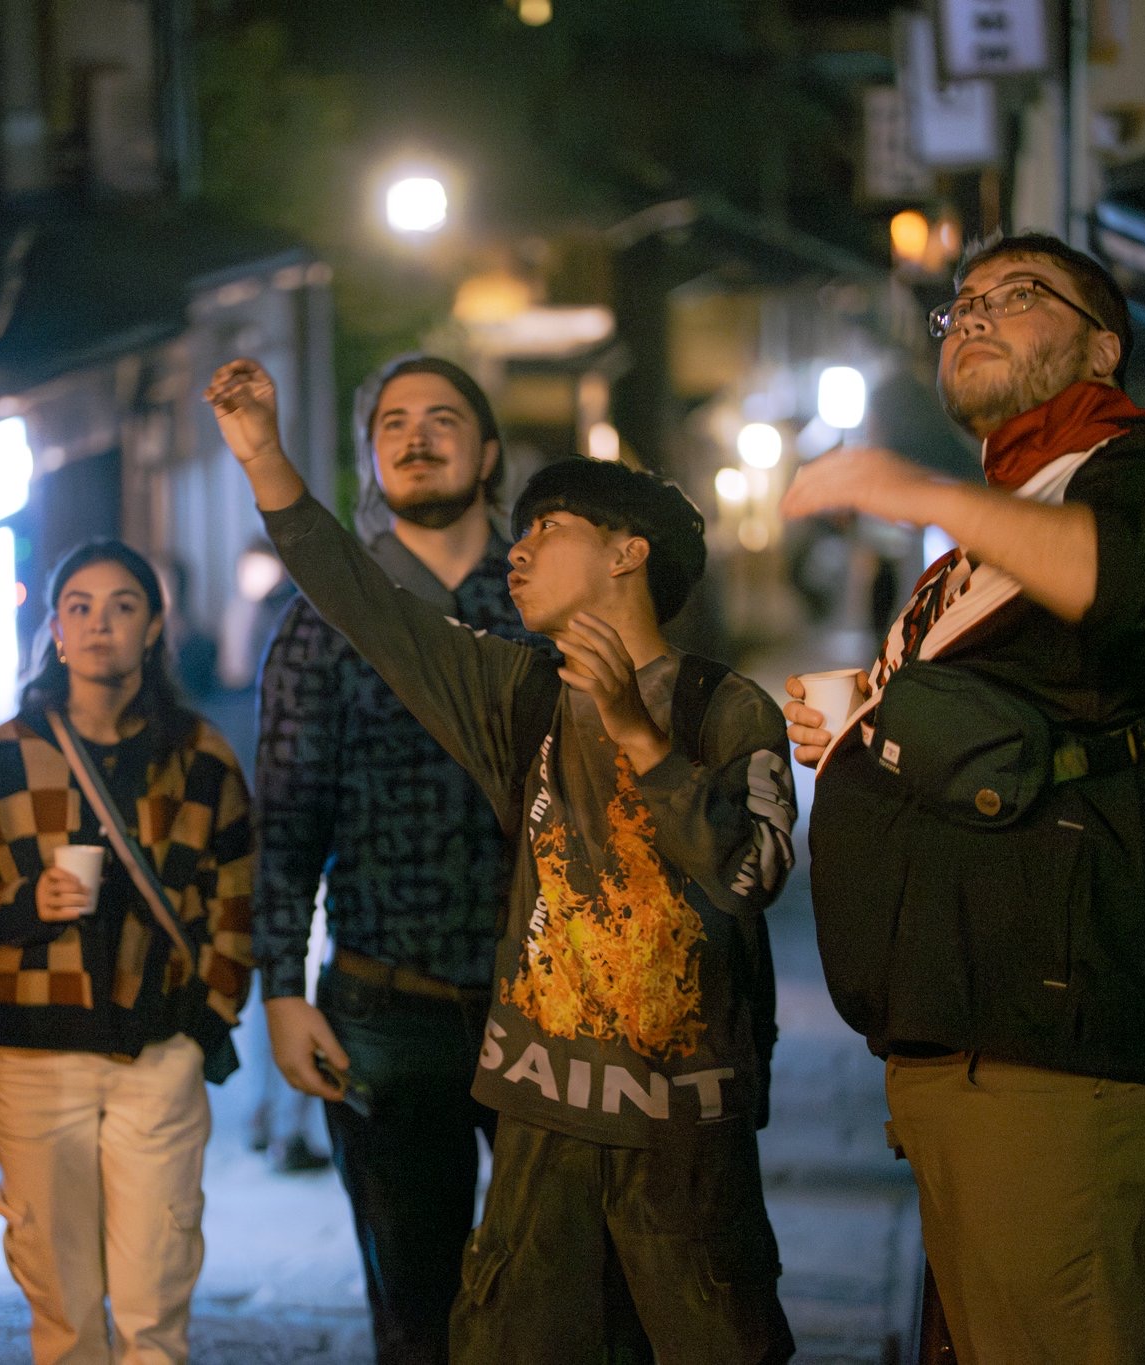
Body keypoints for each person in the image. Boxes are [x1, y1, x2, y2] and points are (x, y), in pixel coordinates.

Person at [207, 360, 798, 1364]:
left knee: (693, 1337)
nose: (516, 557)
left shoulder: (721, 707)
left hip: (678, 1121)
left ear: (624, 553)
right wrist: (262, 456)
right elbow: (362, 603)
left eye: (544, 534)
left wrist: (637, 740)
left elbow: (748, 878)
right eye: (515, 536)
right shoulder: (514, 691)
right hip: (534, 1101)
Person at [779, 231, 1145, 1365]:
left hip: (1072, 1052)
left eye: (1019, 296)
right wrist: (873, 708)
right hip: (974, 1042)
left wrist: (906, 486)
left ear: (1102, 347)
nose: (976, 315)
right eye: (960, 305)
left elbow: (1144, 580)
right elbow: (1028, 714)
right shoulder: (991, 533)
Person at [253, 354, 540, 1363]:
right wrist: (282, 992)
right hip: (385, 1003)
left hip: (549, 1006)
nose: (417, 437)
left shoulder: (547, 606)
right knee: (414, 1311)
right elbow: (285, 819)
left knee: (560, 1302)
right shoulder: (324, 620)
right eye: (393, 424)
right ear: (370, 461)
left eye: (443, 418)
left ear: (489, 450)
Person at [0, 540, 253, 1365]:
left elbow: (238, 900)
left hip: (158, 1054)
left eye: (123, 605)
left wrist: (209, 1015)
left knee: (154, 1310)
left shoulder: (201, 756)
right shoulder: (5, 754)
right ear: (57, 633)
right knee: (64, 1316)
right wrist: (27, 904)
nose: (100, 622)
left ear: (153, 629)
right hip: (39, 1062)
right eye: (80, 606)